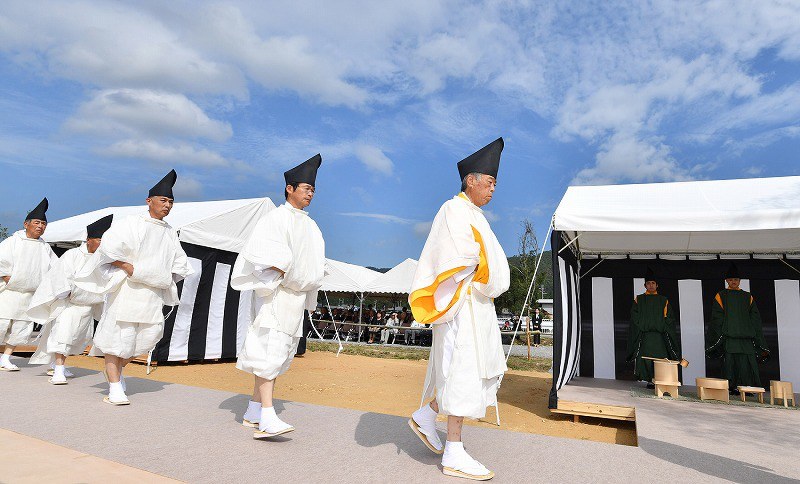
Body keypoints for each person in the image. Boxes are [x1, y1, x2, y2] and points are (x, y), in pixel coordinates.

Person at [407, 138, 510, 480]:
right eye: (490, 181)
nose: (494, 188)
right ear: (471, 180)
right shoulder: (453, 209)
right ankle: (453, 451)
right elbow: (458, 258)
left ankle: (426, 415)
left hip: (477, 306)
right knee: (461, 371)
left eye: (495, 183)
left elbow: (492, 263)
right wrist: (486, 269)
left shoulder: (477, 216)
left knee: (471, 370)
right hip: (461, 305)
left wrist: (489, 270)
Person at [74, 170, 193, 405]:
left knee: (144, 339)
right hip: (127, 291)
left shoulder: (170, 232)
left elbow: (180, 263)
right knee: (117, 338)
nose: (167, 205)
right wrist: (127, 266)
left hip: (152, 294)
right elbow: (108, 250)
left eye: (170, 202)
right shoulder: (130, 223)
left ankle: (115, 374)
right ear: (149, 201)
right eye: (163, 200)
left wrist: (162, 276)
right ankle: (115, 385)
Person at [231, 154, 325, 439]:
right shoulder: (274, 218)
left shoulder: (311, 226)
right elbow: (260, 254)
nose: (310, 194)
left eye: (313, 190)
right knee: (268, 351)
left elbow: (313, 262)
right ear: (290, 188)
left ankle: (252, 410)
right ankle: (268, 417)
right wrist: (286, 270)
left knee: (280, 353)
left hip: (295, 300)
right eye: (306, 188)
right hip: (276, 295)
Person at [28, 215, 113, 384]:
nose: (102, 244)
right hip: (69, 305)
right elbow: (61, 277)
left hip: (88, 306)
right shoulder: (72, 255)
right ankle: (58, 370)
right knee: (62, 336)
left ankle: (58, 365)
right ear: (89, 240)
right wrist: (69, 292)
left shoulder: (105, 260)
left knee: (77, 338)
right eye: (99, 240)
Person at [0, 198, 58, 371]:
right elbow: (2, 263)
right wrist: (10, 279)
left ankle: (6, 358)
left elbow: (55, 269)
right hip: (8, 292)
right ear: (26, 224)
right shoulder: (12, 242)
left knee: (20, 328)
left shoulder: (45, 247)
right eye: (37, 222)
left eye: (44, 224)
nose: (40, 226)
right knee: (1, 324)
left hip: (30, 295)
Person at [706, 263, 769, 392]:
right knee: (730, 363)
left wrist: (750, 331)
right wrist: (726, 330)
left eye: (736, 280)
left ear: (740, 281)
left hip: (746, 338)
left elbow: (755, 318)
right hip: (729, 337)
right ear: (726, 281)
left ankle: (747, 388)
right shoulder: (721, 295)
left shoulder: (748, 296)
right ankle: (731, 387)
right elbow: (717, 317)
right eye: (731, 280)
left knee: (746, 364)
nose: (733, 282)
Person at [625, 268, 684, 388]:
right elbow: (634, 317)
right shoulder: (639, 299)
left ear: (657, 285)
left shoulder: (664, 300)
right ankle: (649, 380)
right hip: (645, 336)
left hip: (660, 336)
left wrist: (660, 326)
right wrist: (645, 325)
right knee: (646, 357)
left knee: (660, 357)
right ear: (645, 285)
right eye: (648, 283)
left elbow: (669, 319)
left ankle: (660, 379)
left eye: (653, 283)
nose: (651, 285)